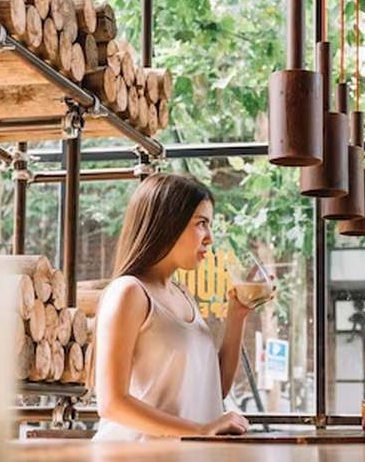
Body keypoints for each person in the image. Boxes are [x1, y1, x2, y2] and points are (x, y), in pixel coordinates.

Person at [92, 173, 253, 441]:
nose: (209, 238)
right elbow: (111, 403)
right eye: (201, 223)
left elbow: (215, 389)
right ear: (168, 223)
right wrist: (201, 430)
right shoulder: (129, 292)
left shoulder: (182, 294)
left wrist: (237, 315)